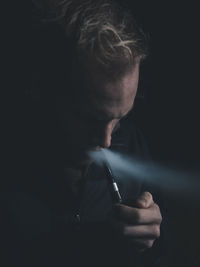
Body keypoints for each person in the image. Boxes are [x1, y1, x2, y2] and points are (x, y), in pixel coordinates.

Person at [1, 1, 164, 266]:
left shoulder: (132, 143)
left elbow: (158, 253)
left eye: (119, 118)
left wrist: (146, 242)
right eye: (90, 118)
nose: (106, 141)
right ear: (42, 88)